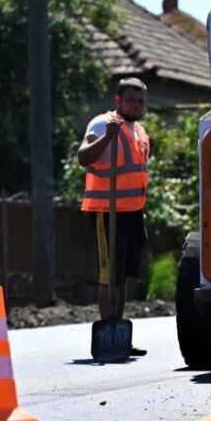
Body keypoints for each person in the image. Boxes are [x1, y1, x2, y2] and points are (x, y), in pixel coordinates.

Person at [78, 77, 151, 357]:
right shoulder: (102, 124)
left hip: (133, 212)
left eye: (140, 100)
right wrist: (107, 136)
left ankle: (119, 331)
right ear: (118, 100)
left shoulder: (140, 131)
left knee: (123, 276)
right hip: (107, 211)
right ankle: (108, 329)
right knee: (109, 275)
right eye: (131, 100)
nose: (136, 105)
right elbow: (84, 157)